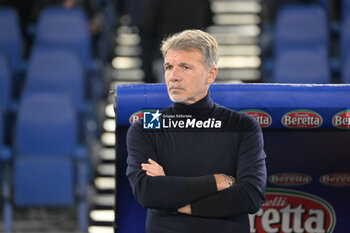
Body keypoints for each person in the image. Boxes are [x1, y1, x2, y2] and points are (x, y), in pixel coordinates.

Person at [126, 29, 267, 233]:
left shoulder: (242, 126)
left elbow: (250, 196)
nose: (173, 76)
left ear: (211, 74)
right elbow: (148, 192)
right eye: (168, 67)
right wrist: (219, 181)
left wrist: (174, 199)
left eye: (185, 67)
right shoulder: (146, 126)